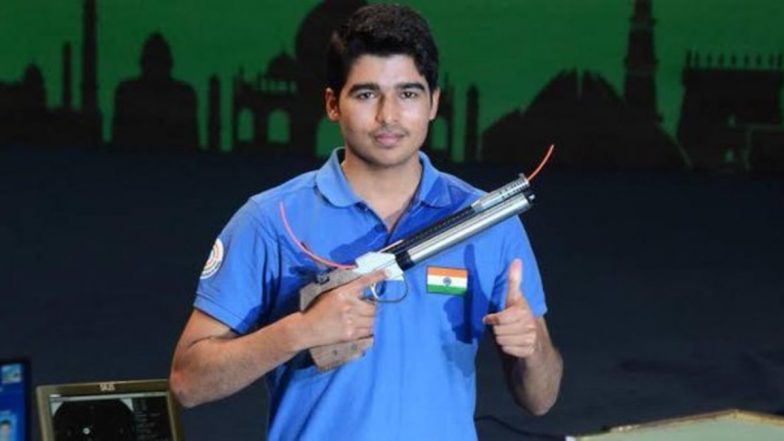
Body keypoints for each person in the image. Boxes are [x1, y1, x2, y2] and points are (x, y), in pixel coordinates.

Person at [170, 4, 562, 440]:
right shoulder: (270, 219)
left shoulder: (486, 221)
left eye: (408, 94)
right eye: (366, 94)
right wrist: (299, 331)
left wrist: (531, 347)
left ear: (434, 102)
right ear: (332, 104)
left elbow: (541, 398)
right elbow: (188, 383)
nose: (388, 116)